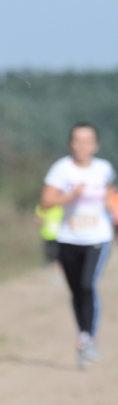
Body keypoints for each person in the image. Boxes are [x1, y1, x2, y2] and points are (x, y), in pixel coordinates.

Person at [40, 123, 115, 368]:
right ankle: (83, 334)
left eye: (88, 141)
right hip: (68, 238)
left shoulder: (104, 169)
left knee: (87, 284)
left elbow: (110, 198)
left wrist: (114, 208)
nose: (83, 146)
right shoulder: (61, 169)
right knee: (76, 291)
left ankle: (89, 338)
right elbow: (46, 202)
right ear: (71, 143)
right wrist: (70, 195)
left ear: (96, 145)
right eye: (78, 140)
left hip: (98, 238)